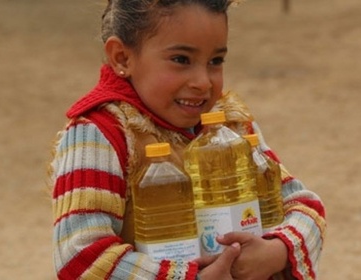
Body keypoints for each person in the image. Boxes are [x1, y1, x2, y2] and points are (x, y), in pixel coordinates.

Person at [48, 0, 326, 279]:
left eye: (215, 61)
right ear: (122, 58)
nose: (203, 82)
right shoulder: (100, 134)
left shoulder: (231, 126)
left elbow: (304, 205)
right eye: (181, 60)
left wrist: (277, 250)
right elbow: (81, 256)